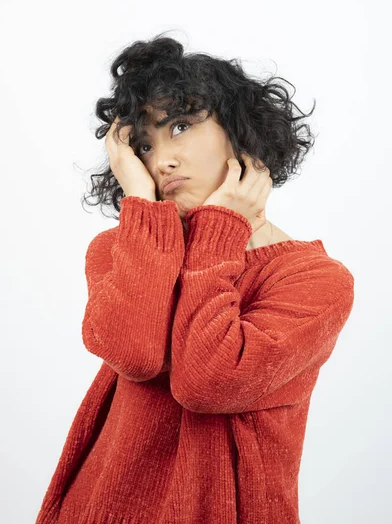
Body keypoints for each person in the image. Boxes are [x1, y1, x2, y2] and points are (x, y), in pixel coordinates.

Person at [35, 33, 355, 524]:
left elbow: (207, 381)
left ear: (240, 130)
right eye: (142, 145)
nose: (160, 159)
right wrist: (142, 206)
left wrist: (219, 232)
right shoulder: (118, 251)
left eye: (180, 126)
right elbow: (136, 353)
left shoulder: (314, 280)